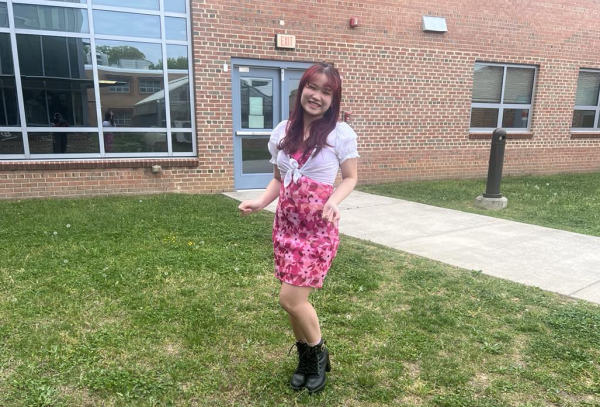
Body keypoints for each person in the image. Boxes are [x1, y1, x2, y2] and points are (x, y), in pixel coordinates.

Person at [238, 62, 359, 393]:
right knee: (292, 301)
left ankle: (319, 353)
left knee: (291, 299)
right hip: (286, 227)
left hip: (317, 230)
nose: (317, 96)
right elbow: (279, 179)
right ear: (301, 88)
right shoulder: (283, 131)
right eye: (313, 87)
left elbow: (350, 178)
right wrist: (262, 202)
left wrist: (334, 201)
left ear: (333, 99)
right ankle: (306, 360)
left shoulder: (339, 135)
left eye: (326, 91)